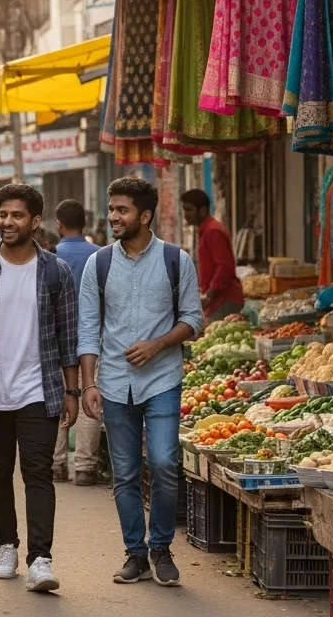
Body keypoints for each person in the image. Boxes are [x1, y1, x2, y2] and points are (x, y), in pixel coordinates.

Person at [0, 183, 79, 593]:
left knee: (38, 472)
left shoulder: (56, 271)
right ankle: (5, 545)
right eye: (3, 214)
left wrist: (73, 392)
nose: (7, 222)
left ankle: (40, 558)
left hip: (39, 389)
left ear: (36, 222)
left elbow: (68, 338)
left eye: (17, 215)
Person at [80, 178, 203, 586]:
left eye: (122, 210)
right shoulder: (98, 263)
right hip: (114, 383)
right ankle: (135, 553)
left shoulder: (175, 260)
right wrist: (88, 384)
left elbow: (193, 320)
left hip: (162, 379)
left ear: (144, 216)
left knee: (165, 463)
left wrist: (158, 344)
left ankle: (162, 547)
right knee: (126, 473)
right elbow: (87, 329)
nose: (113, 216)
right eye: (112, 209)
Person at [52, 200, 102, 485]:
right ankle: (85, 467)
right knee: (89, 397)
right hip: (92, 339)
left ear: (59, 224)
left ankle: (56, 464)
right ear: (84, 223)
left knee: (58, 399)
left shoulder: (50, 256)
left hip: (57, 339)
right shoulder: (100, 255)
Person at [179, 189, 244, 321]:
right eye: (184, 210)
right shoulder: (206, 230)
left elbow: (224, 266)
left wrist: (210, 294)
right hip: (217, 300)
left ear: (202, 210)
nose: (186, 214)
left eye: (189, 210)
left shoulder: (213, 231)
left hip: (225, 299)